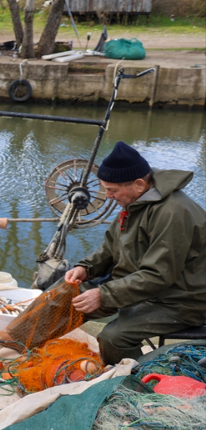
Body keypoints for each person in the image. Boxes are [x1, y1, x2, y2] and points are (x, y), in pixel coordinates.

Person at [64, 141, 205, 365]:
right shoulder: (136, 199)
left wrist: (104, 294)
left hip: (179, 301)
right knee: (62, 300)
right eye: (106, 188)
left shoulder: (173, 213)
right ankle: (20, 347)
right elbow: (110, 247)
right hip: (135, 286)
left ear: (139, 184)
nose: (108, 196)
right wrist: (86, 268)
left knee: (113, 338)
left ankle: (131, 384)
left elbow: (158, 276)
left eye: (113, 190)